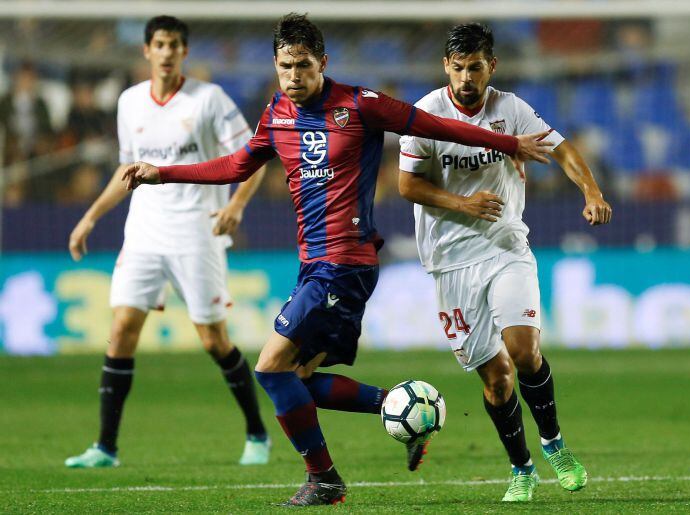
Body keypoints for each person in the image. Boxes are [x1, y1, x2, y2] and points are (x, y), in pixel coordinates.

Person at [121, 13, 553, 506]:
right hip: (313, 265)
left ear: (322, 62)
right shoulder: (276, 115)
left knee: (269, 367)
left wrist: (508, 142)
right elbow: (236, 165)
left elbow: (435, 124)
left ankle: (325, 479)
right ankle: (404, 409)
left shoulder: (360, 104)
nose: (293, 76)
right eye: (285, 66)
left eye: (303, 65)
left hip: (345, 264)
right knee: (298, 379)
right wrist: (164, 173)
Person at [398, 23, 612, 502]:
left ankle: (555, 445)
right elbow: (408, 186)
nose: (467, 77)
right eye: (458, 67)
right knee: (495, 379)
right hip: (449, 260)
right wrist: (464, 204)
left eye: (476, 67)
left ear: (490, 67)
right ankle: (522, 469)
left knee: (523, 351)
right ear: (446, 68)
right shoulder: (426, 114)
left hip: (504, 246)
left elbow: (560, 148)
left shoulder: (510, 109)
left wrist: (592, 191)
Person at [65, 15, 270, 469]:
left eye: (175, 44)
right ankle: (105, 447)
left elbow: (255, 156)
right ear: (146, 50)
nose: (167, 51)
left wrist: (235, 206)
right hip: (143, 231)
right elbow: (126, 175)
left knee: (214, 340)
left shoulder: (210, 99)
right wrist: (90, 217)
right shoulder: (130, 102)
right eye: (159, 43)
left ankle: (258, 433)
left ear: (184, 51)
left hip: (198, 230)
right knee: (120, 331)